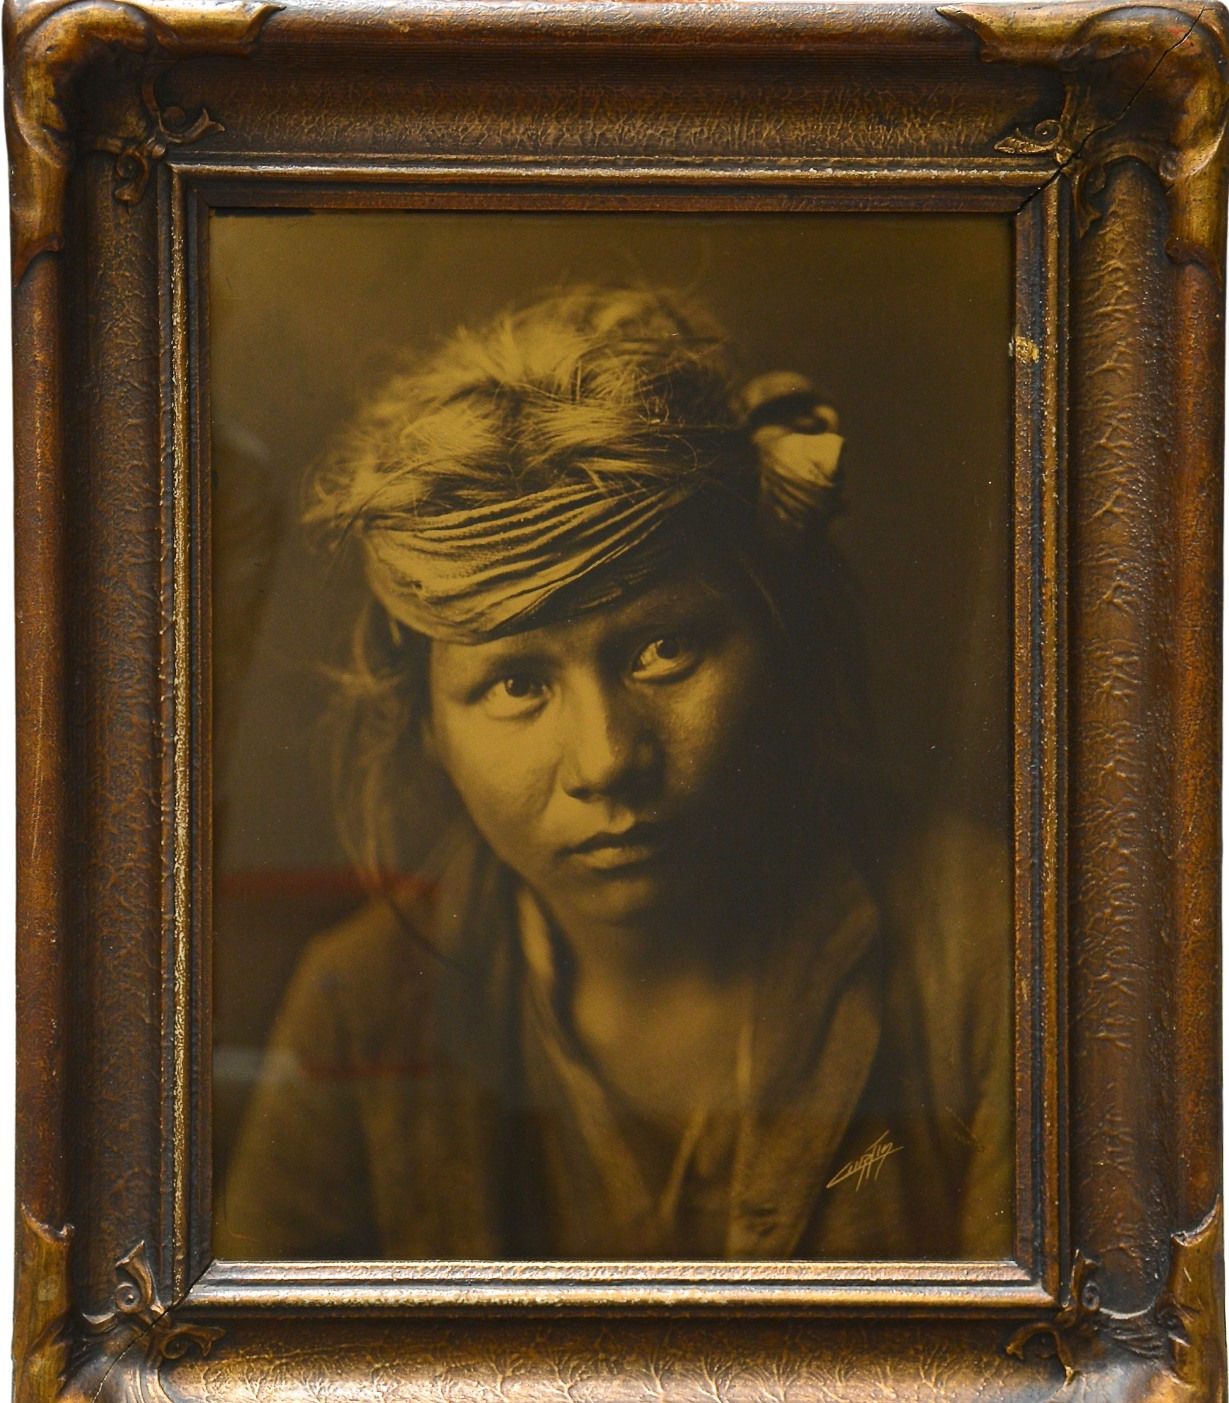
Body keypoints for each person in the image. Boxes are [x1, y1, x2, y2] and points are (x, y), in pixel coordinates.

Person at [215, 286, 1011, 1262]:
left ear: (776, 635)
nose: (607, 762)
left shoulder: (990, 955)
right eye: (513, 682)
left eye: (665, 649)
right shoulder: (358, 1005)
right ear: (426, 723)